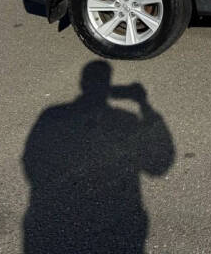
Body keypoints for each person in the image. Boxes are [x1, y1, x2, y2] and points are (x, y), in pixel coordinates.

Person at [22, 61, 174, 253]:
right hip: (118, 221)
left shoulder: (52, 116)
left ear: (82, 84)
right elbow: (159, 165)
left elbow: (31, 163)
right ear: (109, 87)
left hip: (56, 220)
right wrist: (144, 104)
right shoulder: (125, 120)